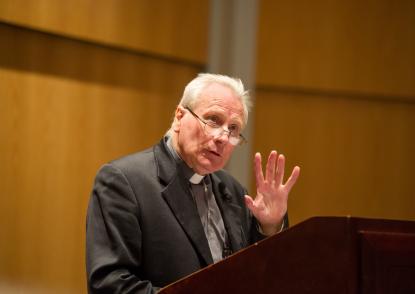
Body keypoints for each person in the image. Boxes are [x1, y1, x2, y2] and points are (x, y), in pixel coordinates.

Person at [86, 73, 300, 293]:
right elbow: (109, 285)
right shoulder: (124, 181)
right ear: (179, 117)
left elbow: (258, 276)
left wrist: (269, 227)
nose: (223, 137)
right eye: (213, 120)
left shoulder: (234, 191)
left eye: (233, 129)